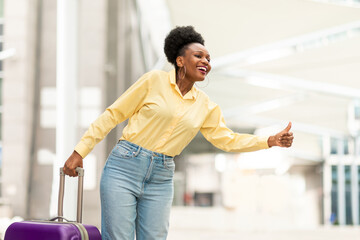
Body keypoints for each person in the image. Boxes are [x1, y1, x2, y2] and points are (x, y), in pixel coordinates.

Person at [63, 25, 294, 240]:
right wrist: (79, 151)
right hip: (124, 167)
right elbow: (112, 115)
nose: (206, 61)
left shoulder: (205, 106)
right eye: (199, 56)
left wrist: (270, 141)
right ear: (180, 60)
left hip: (161, 178)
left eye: (208, 59)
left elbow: (228, 140)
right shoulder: (153, 81)